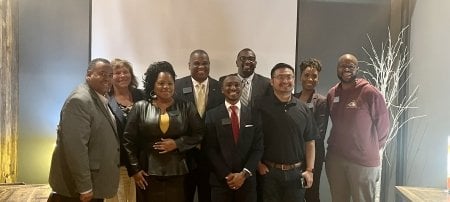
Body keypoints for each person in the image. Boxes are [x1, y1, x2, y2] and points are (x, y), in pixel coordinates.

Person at [123, 61, 204, 202]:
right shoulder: (140, 107)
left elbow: (199, 134)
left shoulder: (186, 106)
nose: (166, 87)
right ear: (153, 85)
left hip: (178, 172)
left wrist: (178, 143)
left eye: (170, 83)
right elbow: (128, 141)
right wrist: (135, 170)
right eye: (161, 83)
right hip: (147, 172)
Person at [48, 58, 120, 202]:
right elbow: (76, 148)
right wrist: (85, 187)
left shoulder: (99, 98)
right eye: (102, 74)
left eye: (110, 75)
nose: (107, 78)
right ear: (88, 75)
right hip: (79, 190)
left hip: (95, 184)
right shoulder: (80, 101)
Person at [326, 53, 390, 202]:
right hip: (336, 159)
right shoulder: (332, 93)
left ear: (357, 69)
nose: (346, 69)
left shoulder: (370, 92)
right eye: (343, 66)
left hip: (363, 162)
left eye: (351, 66)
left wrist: (369, 147)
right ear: (337, 68)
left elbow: (383, 127)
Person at [255, 63, 316, 202]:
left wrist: (309, 170)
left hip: (296, 173)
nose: (285, 81)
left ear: (294, 80)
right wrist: (258, 164)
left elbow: (310, 141)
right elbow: (253, 138)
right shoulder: (261, 107)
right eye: (280, 77)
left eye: (289, 77)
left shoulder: (303, 109)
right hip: (269, 173)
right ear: (272, 81)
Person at [205, 74, 263, 202]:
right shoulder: (211, 115)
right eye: (229, 85)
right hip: (221, 182)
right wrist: (227, 175)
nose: (233, 88)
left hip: (247, 182)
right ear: (222, 89)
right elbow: (210, 149)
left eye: (237, 85)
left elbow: (258, 148)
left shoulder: (253, 115)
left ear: (242, 87)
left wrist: (243, 174)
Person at [175, 49, 223, 202]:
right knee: (184, 195)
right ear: (189, 65)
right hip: (185, 154)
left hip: (211, 156)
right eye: (196, 63)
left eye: (205, 63)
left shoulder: (220, 87)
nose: (201, 67)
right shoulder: (177, 86)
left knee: (207, 196)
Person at [106, 59, 145, 202]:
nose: (122, 75)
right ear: (111, 76)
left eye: (125, 72)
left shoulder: (142, 95)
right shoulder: (105, 99)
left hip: (142, 160)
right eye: (117, 73)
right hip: (119, 161)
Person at [293, 58, 329, 202]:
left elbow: (319, 132)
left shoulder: (321, 101)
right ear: (300, 77)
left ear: (318, 79)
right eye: (306, 75)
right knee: (294, 193)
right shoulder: (292, 98)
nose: (310, 79)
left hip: (313, 156)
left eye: (314, 76)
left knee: (311, 193)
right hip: (293, 155)